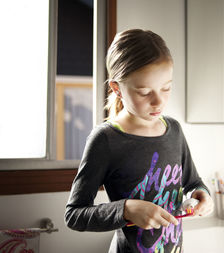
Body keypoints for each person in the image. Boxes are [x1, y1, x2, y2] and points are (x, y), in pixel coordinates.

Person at [65, 29, 214, 253]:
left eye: (166, 88)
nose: (158, 101)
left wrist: (202, 195)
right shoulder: (105, 140)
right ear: (117, 89)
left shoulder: (173, 130)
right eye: (144, 92)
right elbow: (75, 214)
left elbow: (193, 183)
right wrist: (126, 209)